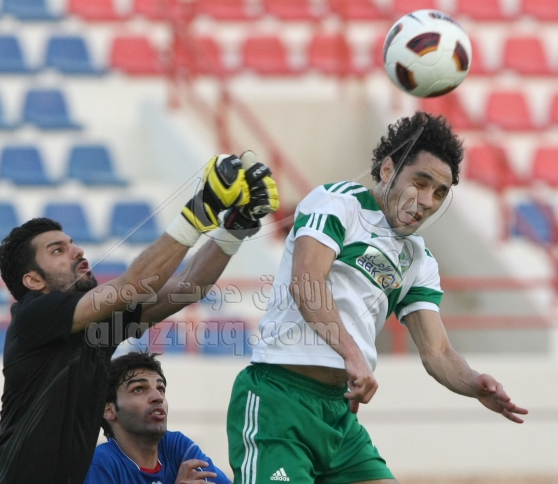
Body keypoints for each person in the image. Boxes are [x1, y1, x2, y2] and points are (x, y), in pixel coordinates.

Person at [226, 112, 528, 484]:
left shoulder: (418, 259)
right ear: (388, 170)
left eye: (439, 193)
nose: (427, 201)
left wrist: (474, 382)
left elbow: (438, 352)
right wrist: (352, 354)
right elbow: (306, 282)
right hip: (279, 400)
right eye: (420, 182)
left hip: (338, 416)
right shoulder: (338, 202)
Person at [0, 152, 278, 484]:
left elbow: (189, 287)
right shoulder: (34, 314)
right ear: (33, 281)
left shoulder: (97, 328)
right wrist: (201, 209)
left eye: (72, 244)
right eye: (58, 250)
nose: (77, 251)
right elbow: (132, 285)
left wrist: (236, 226)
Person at [83, 351, 231, 484]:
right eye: (139, 389)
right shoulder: (100, 464)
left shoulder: (176, 446)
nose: (158, 397)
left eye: (160, 389)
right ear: (109, 410)